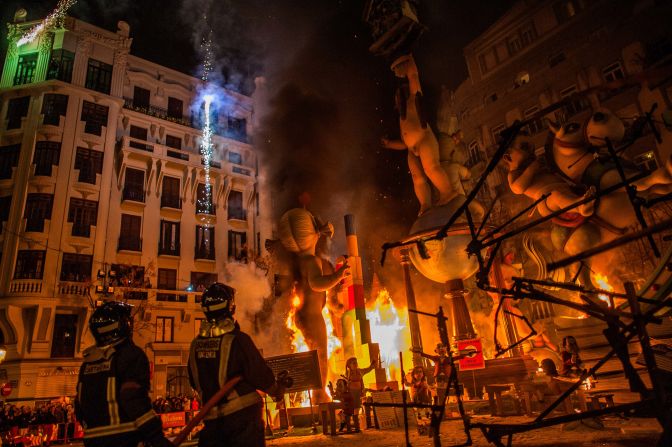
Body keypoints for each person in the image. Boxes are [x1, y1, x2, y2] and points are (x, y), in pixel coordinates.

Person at [188, 282, 286, 447]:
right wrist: (277, 390)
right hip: (243, 424)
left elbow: (193, 380)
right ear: (230, 306)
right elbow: (260, 374)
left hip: (212, 425)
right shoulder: (238, 340)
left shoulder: (195, 345)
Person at [76, 301, 172, 447]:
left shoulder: (88, 363)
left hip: (92, 441)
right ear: (121, 326)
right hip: (125, 439)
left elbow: (79, 406)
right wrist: (157, 437)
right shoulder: (130, 355)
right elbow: (134, 400)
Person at [381, 53, 458, 215]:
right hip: (411, 149)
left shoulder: (413, 101)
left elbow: (414, 77)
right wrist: (389, 144)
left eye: (397, 97)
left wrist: (410, 63)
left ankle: (448, 192)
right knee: (418, 179)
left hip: (424, 140)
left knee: (431, 168)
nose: (396, 101)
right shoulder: (401, 118)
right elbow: (403, 143)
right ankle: (425, 204)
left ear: (403, 94)